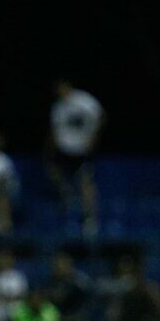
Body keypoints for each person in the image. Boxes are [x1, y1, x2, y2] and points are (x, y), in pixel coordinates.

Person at [48, 81, 104, 225]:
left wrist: (93, 138)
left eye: (62, 89)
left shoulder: (84, 100)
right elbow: (55, 130)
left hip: (82, 149)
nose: (60, 92)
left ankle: (90, 216)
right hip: (64, 149)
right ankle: (68, 195)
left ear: (68, 86)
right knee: (53, 172)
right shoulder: (58, 107)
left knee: (86, 181)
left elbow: (101, 116)